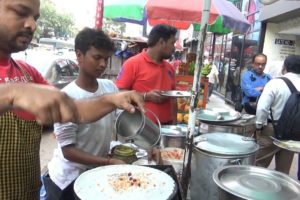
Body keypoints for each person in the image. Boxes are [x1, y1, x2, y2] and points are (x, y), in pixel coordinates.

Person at [0, 1, 144, 199]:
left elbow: (75, 109)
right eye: (20, 11)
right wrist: (11, 93)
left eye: (35, 18)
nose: (32, 25)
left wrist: (114, 99)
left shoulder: (27, 72)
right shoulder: (19, 86)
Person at [43, 27, 127, 199]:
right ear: (79, 55)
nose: (103, 64)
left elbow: (119, 123)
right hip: (67, 181)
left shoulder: (110, 88)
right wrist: (108, 162)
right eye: (97, 57)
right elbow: (68, 151)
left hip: (94, 175)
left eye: (106, 58)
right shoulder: (66, 96)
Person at [115, 24, 178, 125]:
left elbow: (173, 100)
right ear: (162, 42)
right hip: (141, 129)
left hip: (167, 129)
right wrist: (146, 96)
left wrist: (175, 126)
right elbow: (119, 93)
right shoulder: (132, 64)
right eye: (172, 43)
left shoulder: (170, 68)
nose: (174, 48)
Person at [255, 55, 300, 174]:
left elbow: (262, 108)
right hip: (293, 133)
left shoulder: (275, 83)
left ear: (284, 67)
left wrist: (259, 126)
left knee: (258, 167)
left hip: (272, 130)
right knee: (283, 172)